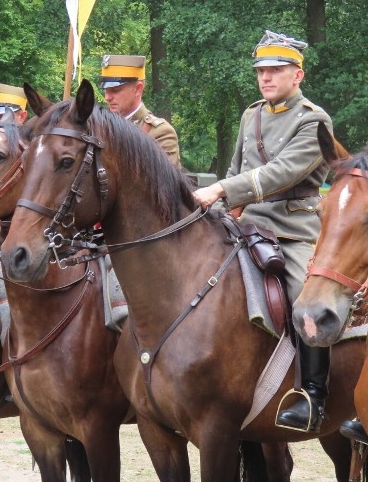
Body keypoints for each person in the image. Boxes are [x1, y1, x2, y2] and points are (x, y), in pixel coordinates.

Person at [192, 30, 333, 433]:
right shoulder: (251, 114)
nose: (266, 78)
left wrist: (224, 188)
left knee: (305, 300)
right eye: (261, 71)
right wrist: (220, 205)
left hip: (292, 229)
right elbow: (238, 168)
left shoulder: (313, 119)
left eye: (275, 70)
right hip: (244, 225)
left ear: (298, 75)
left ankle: (312, 396)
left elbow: (283, 171)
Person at [99, 55, 180, 165]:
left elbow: (162, 181)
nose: (107, 97)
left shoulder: (160, 133)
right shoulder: (100, 128)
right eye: (106, 90)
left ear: (138, 89)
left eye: (115, 90)